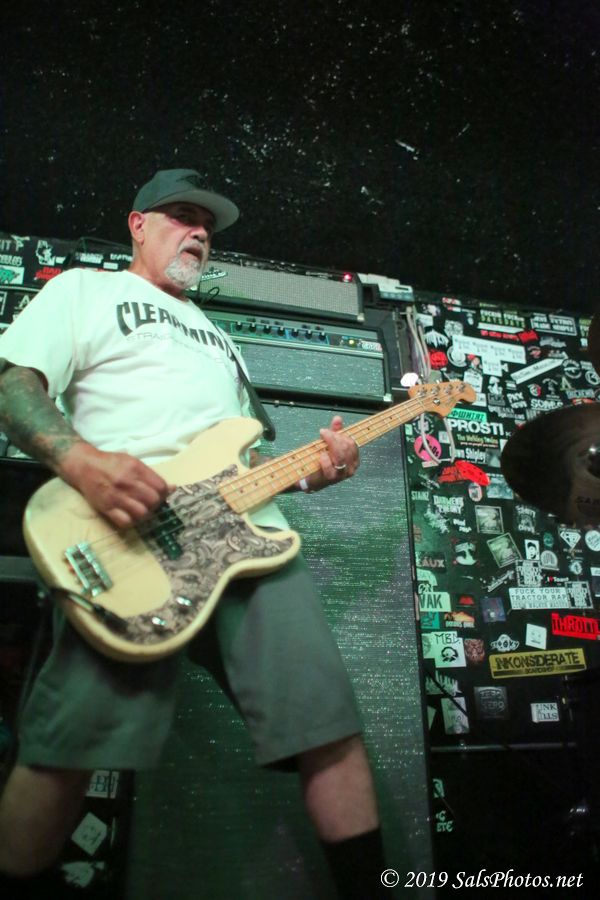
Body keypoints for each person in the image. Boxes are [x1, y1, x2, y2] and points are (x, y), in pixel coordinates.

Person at [0, 169, 389, 898]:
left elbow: (245, 465)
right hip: (126, 530)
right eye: (182, 215)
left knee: (327, 726)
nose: (200, 231)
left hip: (252, 539)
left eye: (207, 225)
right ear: (137, 224)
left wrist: (315, 473)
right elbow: (12, 383)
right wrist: (79, 461)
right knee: (65, 749)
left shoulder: (221, 341)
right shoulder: (85, 291)